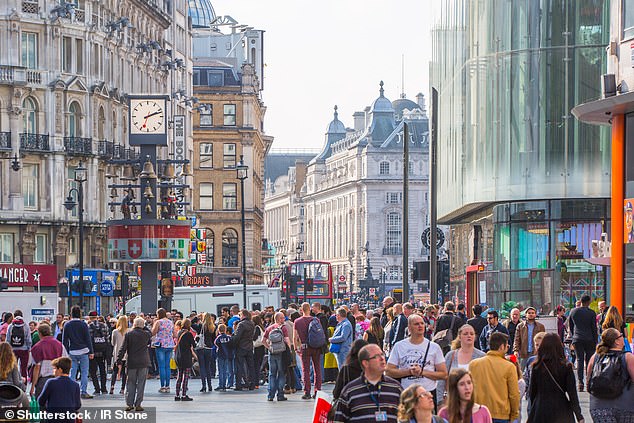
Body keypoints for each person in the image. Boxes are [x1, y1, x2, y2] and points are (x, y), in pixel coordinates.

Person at [387, 314, 448, 411]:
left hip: (428, 392)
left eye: (422, 323)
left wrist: (422, 372)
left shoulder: (434, 347)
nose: (420, 326)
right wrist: (409, 372)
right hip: (407, 393)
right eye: (416, 324)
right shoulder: (399, 346)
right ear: (409, 328)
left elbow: (444, 374)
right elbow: (389, 371)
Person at [333, 344, 403, 422]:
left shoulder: (395, 388)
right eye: (376, 356)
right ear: (365, 363)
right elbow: (339, 420)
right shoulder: (350, 391)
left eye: (382, 354)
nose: (382, 358)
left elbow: (407, 417)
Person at [525, 332, 583, 423]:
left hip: (540, 409)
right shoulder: (566, 366)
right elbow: (572, 394)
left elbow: (532, 392)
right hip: (561, 409)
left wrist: (532, 412)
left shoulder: (537, 366)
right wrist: (579, 416)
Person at [469, 332, 519, 423]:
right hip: (501, 414)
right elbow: (514, 394)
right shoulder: (509, 367)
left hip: (478, 412)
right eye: (507, 346)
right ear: (501, 347)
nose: (508, 348)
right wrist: (514, 414)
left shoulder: (473, 364)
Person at [587, 328, 634, 422]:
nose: (623, 337)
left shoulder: (595, 357)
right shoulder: (628, 357)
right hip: (625, 407)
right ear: (616, 341)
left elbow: (589, 381)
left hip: (598, 408)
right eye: (621, 335)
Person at [436, 324, 485, 403]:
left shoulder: (482, 356)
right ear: (459, 336)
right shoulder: (450, 355)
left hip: (475, 402)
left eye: (471, 334)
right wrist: (440, 402)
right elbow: (441, 379)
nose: (469, 336)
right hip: (453, 402)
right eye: (465, 334)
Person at [117, 317, 151, 411]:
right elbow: (150, 333)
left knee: (130, 383)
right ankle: (138, 404)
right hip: (144, 362)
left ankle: (129, 404)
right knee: (141, 383)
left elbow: (123, 348)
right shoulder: (146, 334)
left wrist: (118, 359)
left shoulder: (129, 334)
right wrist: (144, 326)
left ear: (134, 324)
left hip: (132, 362)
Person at [61, 305, 94, 399]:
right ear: (80, 314)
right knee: (84, 372)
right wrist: (91, 351)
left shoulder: (67, 324)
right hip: (84, 351)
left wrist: (65, 352)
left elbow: (65, 340)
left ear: (71, 314)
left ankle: (71, 392)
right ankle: (83, 391)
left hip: (72, 351)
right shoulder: (83, 324)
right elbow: (88, 339)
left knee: (72, 372)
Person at [37, 357, 81, 423]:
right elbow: (78, 405)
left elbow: (41, 400)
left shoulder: (51, 382)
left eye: (54, 368)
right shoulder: (75, 385)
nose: (53, 371)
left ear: (60, 369)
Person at [568, 294, 597, 391]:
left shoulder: (573, 311)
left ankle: (580, 382)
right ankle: (589, 381)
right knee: (589, 360)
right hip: (589, 339)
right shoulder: (592, 313)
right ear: (588, 302)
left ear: (580, 301)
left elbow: (570, 326)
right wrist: (596, 341)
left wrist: (573, 336)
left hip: (577, 339)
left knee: (579, 359)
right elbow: (594, 328)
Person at [294, 302, 323, 399]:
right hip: (316, 347)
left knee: (305, 370)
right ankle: (317, 391)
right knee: (317, 369)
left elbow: (295, 337)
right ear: (309, 309)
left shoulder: (297, 321)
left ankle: (307, 392)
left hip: (305, 347)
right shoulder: (316, 320)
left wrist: (295, 348)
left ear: (301, 310)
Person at [262, 311, 291, 402]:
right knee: (281, 373)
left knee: (272, 374)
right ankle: (280, 394)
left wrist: (269, 348)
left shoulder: (269, 328)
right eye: (282, 318)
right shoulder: (283, 328)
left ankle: (270, 395)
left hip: (272, 352)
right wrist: (289, 350)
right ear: (279, 319)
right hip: (281, 353)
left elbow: (263, 340)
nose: (284, 319)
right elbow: (286, 340)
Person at [30, 322, 63, 397]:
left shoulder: (36, 347)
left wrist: (32, 387)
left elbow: (37, 368)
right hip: (57, 378)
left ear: (39, 333)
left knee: (42, 405)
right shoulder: (60, 345)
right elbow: (65, 363)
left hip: (42, 380)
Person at [151, 307, 176, 393]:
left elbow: (153, 333)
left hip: (161, 345)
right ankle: (168, 386)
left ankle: (162, 386)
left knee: (161, 366)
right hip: (170, 345)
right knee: (167, 366)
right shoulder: (170, 322)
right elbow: (175, 334)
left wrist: (154, 325)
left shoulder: (158, 322)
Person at [232, 309, 256, 390]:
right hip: (249, 347)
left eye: (240, 315)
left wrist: (232, 342)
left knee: (239, 366)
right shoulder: (252, 323)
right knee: (251, 366)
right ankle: (252, 384)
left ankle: (238, 385)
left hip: (241, 347)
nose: (239, 317)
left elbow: (237, 336)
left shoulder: (241, 324)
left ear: (243, 315)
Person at [174, 318, 197, 401]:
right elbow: (193, 345)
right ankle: (184, 395)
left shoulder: (179, 332)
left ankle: (177, 395)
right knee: (185, 377)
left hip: (178, 356)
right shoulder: (189, 334)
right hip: (186, 357)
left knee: (179, 376)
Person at [87, 310, 108, 395]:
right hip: (102, 351)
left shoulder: (89, 326)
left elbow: (88, 340)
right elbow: (107, 338)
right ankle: (104, 388)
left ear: (90, 317)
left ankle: (97, 388)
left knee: (93, 371)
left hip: (93, 352)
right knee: (102, 370)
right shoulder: (103, 325)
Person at [7, 311, 32, 379]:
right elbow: (28, 339)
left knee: (12, 367)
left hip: (13, 350)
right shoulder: (26, 325)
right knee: (23, 368)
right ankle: (24, 385)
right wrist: (29, 348)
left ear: (14, 316)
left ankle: (13, 382)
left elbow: (8, 339)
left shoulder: (11, 326)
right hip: (24, 350)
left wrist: (9, 349)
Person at [195, 312, 216, 393]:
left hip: (201, 347)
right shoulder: (213, 327)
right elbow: (214, 338)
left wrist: (197, 316)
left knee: (202, 367)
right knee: (208, 367)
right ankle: (210, 385)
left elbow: (192, 323)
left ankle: (203, 386)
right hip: (209, 347)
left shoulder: (201, 326)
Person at [110, 315, 128, 395]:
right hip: (126, 353)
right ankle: (122, 388)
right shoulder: (128, 331)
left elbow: (112, 343)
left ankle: (112, 386)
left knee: (115, 370)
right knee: (124, 372)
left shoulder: (115, 331)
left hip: (117, 352)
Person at [214, 324, 234, 392]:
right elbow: (231, 344)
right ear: (225, 330)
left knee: (220, 370)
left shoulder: (219, 337)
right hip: (227, 355)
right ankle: (225, 385)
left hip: (220, 354)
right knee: (226, 370)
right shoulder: (228, 337)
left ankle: (221, 385)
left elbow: (216, 343)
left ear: (218, 330)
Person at [252, 314, 265, 389]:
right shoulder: (262, 327)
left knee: (255, 366)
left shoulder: (257, 328)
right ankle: (256, 382)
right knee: (258, 365)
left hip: (257, 349)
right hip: (261, 348)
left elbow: (254, 338)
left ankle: (256, 383)